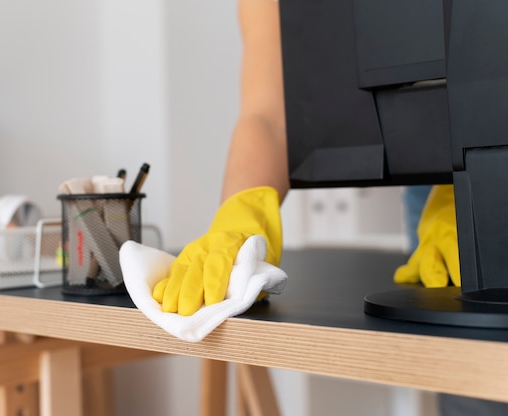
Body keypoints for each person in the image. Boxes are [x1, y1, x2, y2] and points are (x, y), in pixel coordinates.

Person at [152, 1, 492, 413]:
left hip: (470, 170)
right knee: (477, 383)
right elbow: (272, 111)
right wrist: (239, 216)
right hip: (446, 177)